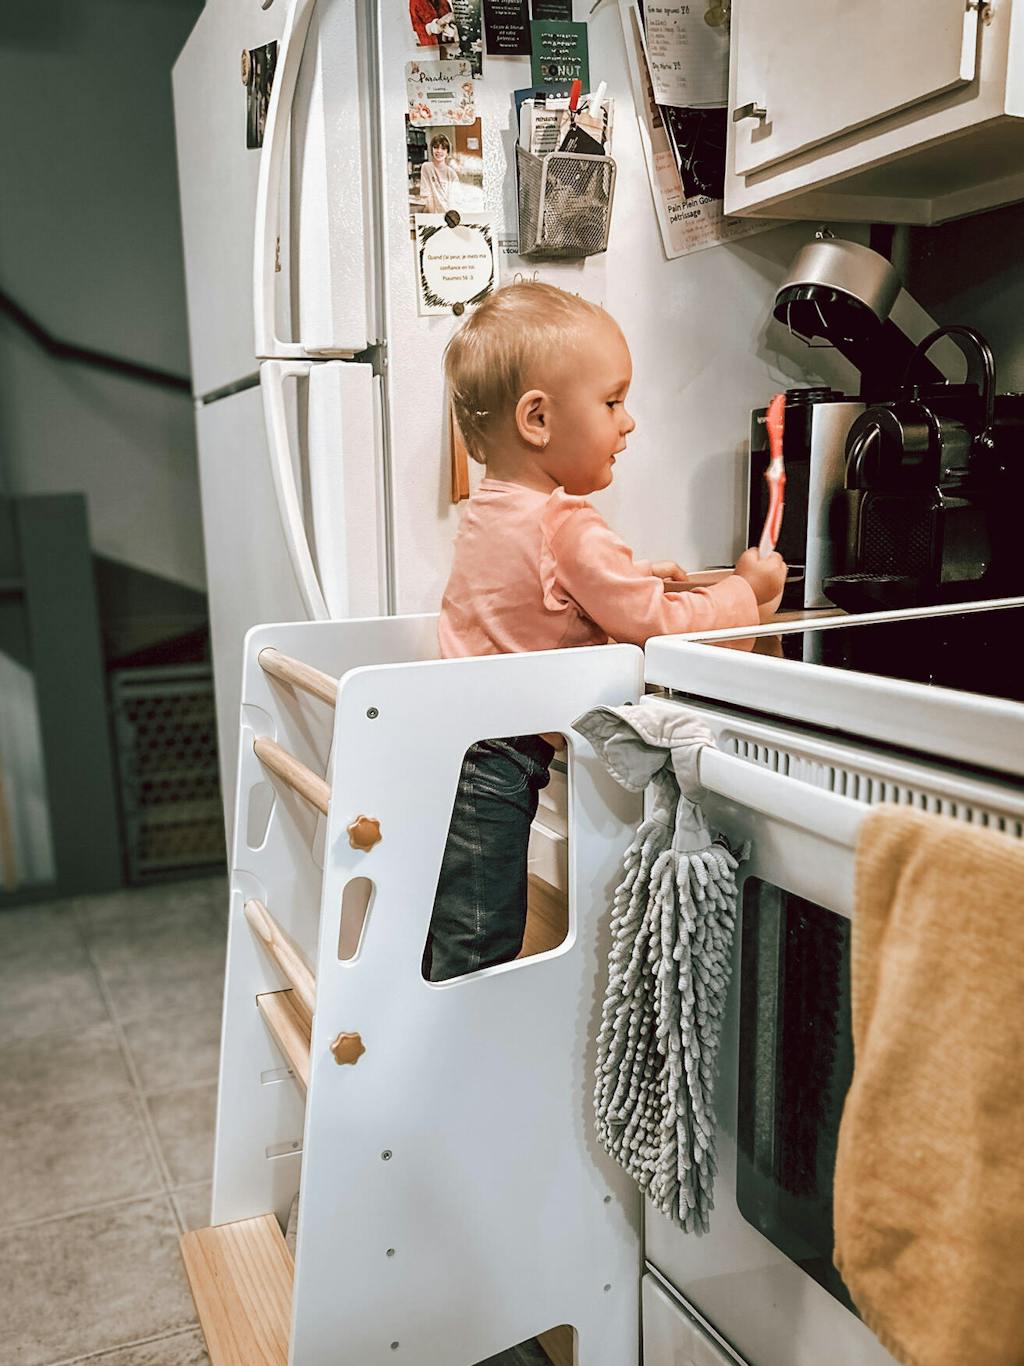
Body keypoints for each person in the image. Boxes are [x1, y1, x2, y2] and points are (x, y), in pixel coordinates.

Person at [422, 282, 787, 983]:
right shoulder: (565, 522)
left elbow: (536, 595)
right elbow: (662, 633)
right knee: (479, 937)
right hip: (495, 762)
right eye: (614, 401)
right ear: (538, 418)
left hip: (458, 741)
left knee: (456, 914)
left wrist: (630, 570)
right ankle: (457, 1063)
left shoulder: (491, 507)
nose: (630, 423)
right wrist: (750, 590)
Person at [418, 134, 460, 215]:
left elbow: (454, 200)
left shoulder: (452, 173)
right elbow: (426, 195)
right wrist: (434, 218)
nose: (439, 151)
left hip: (448, 216)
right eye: (436, 147)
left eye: (443, 148)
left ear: (447, 152)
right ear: (431, 149)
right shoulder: (426, 167)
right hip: (431, 216)